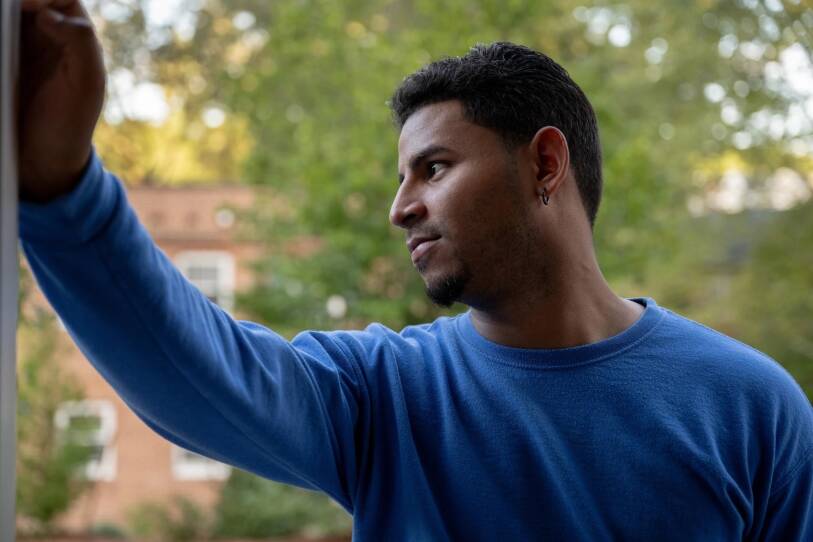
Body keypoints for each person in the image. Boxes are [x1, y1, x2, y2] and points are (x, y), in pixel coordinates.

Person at [17, 1, 813, 540]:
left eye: (431, 169)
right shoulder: (383, 396)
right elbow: (198, 372)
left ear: (543, 164)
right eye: (402, 179)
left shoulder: (751, 407)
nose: (400, 208)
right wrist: (60, 183)